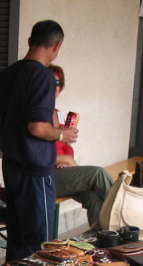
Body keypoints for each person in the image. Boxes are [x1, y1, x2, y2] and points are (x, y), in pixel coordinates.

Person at [0, 20, 79, 261]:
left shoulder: (8, 74)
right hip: (35, 171)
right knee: (40, 246)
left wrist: (55, 130)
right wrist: (62, 134)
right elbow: (37, 127)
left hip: (12, 165)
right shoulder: (43, 76)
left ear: (30, 41)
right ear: (56, 46)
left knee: (17, 239)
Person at [49, 65, 113, 228]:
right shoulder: (37, 115)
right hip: (45, 176)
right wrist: (65, 159)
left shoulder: (58, 113)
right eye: (48, 81)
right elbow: (35, 153)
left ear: (62, 87)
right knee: (97, 173)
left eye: (57, 82)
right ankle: (125, 216)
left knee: (94, 198)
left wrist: (69, 162)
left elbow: (66, 147)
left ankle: (102, 237)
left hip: (63, 172)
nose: (53, 86)